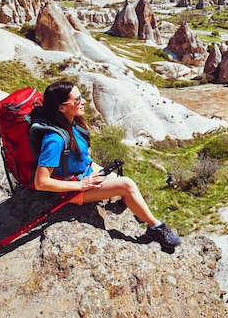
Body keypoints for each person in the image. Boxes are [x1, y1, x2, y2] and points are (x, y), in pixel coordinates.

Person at [31, 80, 182, 249]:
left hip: (83, 175)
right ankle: (156, 228)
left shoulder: (72, 124)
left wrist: (97, 173)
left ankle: (138, 210)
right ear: (61, 107)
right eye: (78, 100)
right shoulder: (54, 140)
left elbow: (82, 159)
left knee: (122, 182)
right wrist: (81, 185)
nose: (84, 102)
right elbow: (41, 182)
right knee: (127, 185)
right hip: (70, 190)